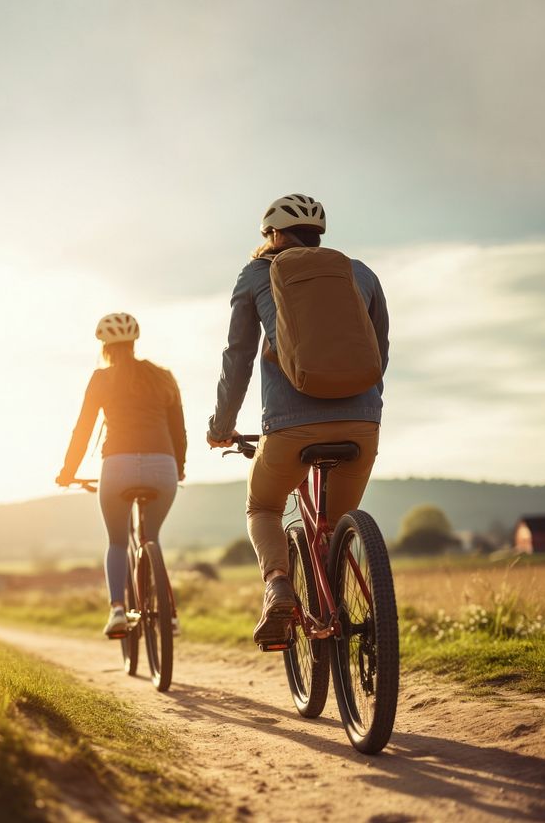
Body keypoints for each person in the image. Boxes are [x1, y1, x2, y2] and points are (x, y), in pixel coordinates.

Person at [207, 195, 389, 646]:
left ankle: (278, 587)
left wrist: (220, 427)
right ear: (318, 234)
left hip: (290, 429)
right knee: (337, 523)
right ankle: (344, 612)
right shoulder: (359, 272)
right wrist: (364, 409)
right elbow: (379, 352)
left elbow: (238, 359)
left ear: (271, 235)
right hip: (362, 426)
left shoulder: (257, 274)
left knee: (263, 507)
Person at [56, 312, 186, 637]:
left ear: (104, 346)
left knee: (117, 542)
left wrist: (67, 472)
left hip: (117, 466)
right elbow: (178, 431)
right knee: (151, 538)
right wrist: (178, 468)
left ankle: (117, 610)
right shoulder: (163, 376)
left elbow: (83, 429)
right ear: (133, 343)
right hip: (163, 466)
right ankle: (169, 616)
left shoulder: (101, 379)